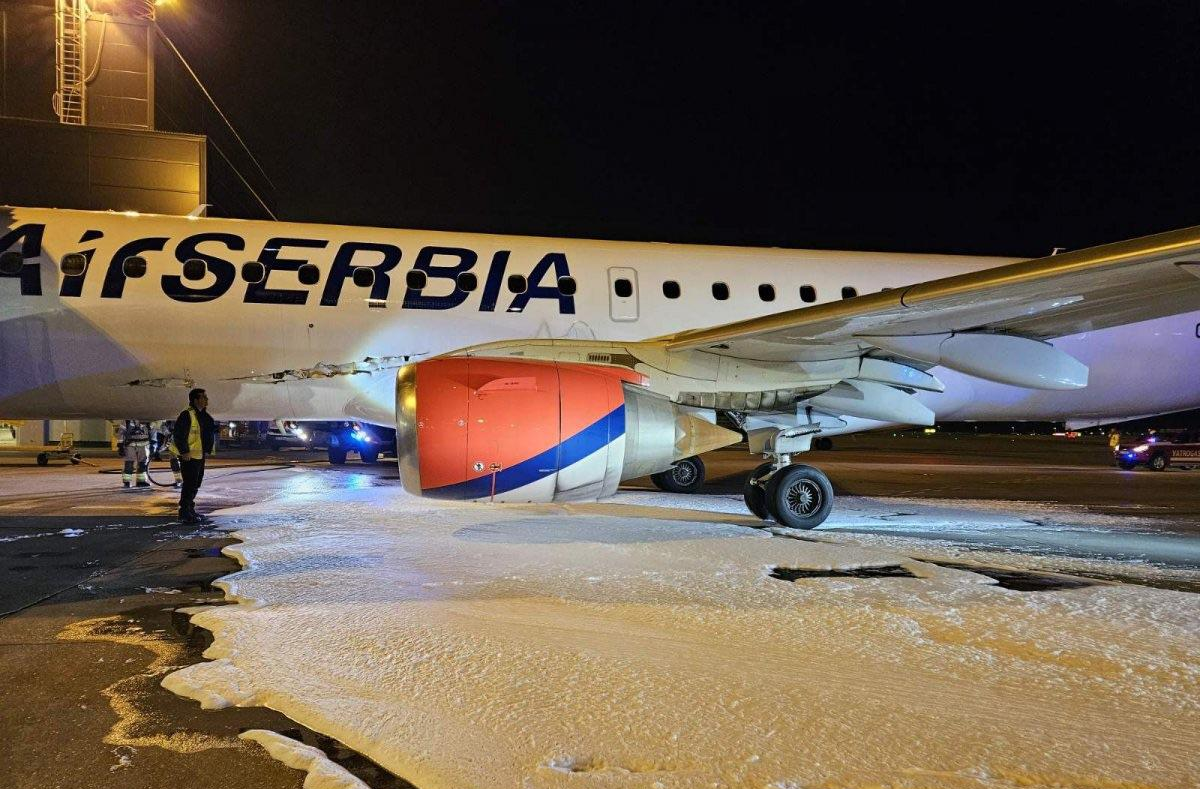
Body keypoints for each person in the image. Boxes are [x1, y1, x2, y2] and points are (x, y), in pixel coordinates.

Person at [173, 388, 216, 523]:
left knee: (196, 483)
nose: (206, 400)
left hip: (199, 454)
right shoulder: (187, 414)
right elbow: (179, 435)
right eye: (203, 397)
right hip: (189, 456)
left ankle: (190, 509)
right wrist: (184, 451)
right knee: (190, 484)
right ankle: (184, 513)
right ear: (196, 400)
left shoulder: (202, 415)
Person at [117, 420, 151, 488]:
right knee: (129, 463)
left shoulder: (147, 419)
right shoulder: (127, 421)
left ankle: (141, 481)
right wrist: (120, 444)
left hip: (143, 445)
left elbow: (153, 431)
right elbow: (121, 432)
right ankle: (127, 482)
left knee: (143, 463)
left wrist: (154, 444)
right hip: (130, 444)